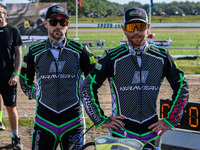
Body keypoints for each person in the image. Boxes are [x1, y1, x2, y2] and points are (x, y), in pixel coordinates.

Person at [80, 7, 189, 149]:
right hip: (122, 133)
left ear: (148, 28)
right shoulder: (112, 57)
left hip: (152, 132)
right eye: (131, 27)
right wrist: (99, 118)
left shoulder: (162, 57)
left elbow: (182, 87)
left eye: (141, 26)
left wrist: (170, 120)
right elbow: (87, 87)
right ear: (124, 29)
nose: (136, 31)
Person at [20, 5, 95, 150]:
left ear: (68, 24)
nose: (58, 26)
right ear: (45, 23)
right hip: (44, 120)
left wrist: (85, 96)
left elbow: (93, 79)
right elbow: (24, 79)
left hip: (73, 120)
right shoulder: (34, 52)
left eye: (63, 22)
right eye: (54, 22)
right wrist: (36, 94)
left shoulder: (80, 50)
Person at [0, 3, 23, 150]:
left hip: (8, 77)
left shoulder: (13, 31)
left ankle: (16, 136)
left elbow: (18, 54)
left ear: (5, 14)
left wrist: (15, 73)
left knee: (11, 108)